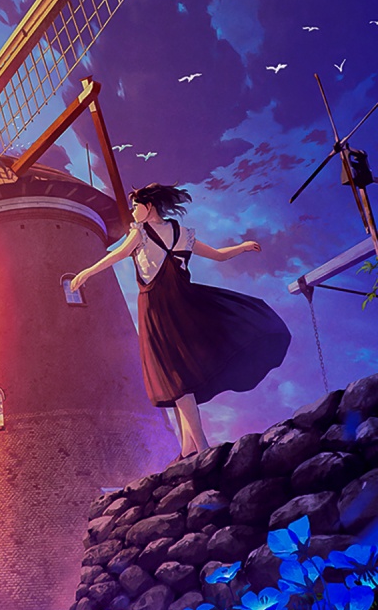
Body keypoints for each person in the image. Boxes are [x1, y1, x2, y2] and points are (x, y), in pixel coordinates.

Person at [70, 182, 291, 458]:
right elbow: (219, 256)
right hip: (184, 304)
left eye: (136, 206)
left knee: (174, 374)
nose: (133, 212)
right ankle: (188, 447)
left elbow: (118, 254)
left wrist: (87, 272)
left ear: (149, 206)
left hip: (158, 309)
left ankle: (201, 446)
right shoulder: (182, 234)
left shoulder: (141, 233)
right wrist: (242, 247)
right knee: (178, 374)